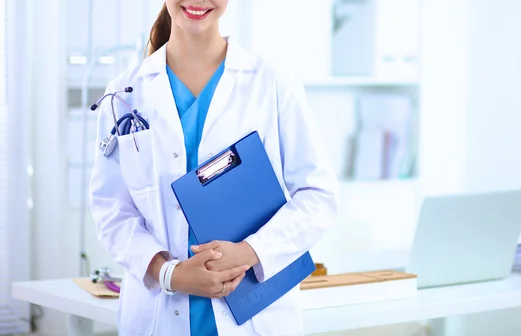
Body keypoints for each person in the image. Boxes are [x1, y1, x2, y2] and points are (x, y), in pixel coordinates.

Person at [88, 0, 339, 335]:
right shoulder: (124, 94)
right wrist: (170, 274)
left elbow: (318, 196)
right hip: (159, 316)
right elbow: (111, 209)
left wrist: (252, 252)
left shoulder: (273, 84)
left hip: (255, 317)